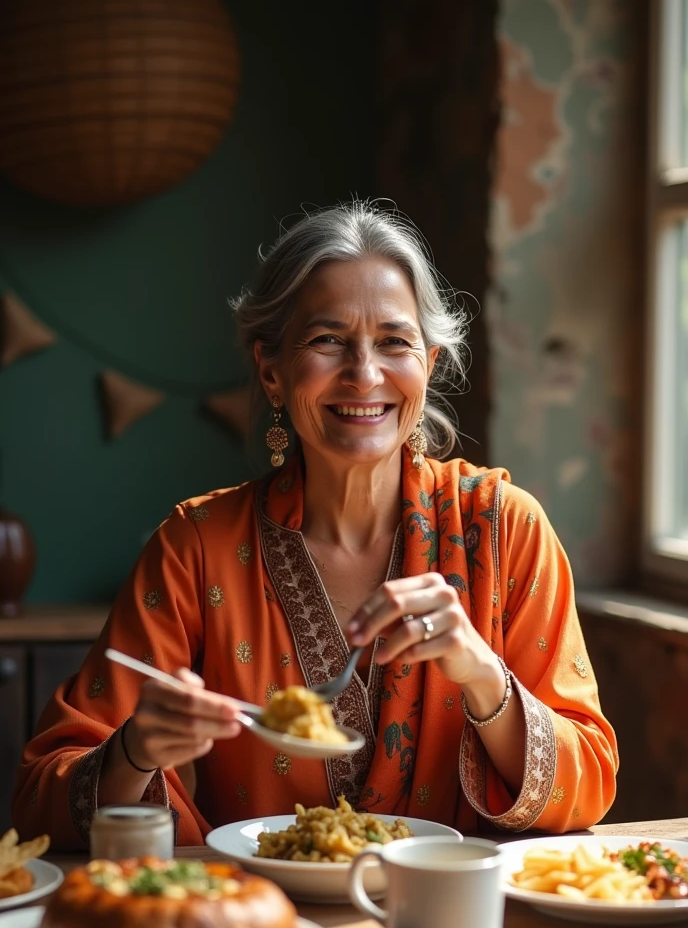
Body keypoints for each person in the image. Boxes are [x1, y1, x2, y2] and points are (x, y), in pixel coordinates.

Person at [13, 202, 618, 849]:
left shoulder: (504, 530)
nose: (364, 373)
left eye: (394, 342)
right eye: (327, 340)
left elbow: (587, 787)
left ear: (430, 365)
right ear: (272, 371)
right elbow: (41, 798)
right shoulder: (196, 547)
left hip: (452, 924)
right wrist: (134, 751)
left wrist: (481, 675)